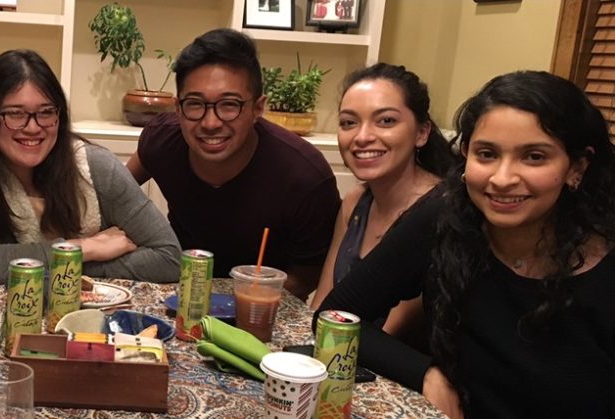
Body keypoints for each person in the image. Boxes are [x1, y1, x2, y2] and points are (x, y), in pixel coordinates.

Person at [317, 71, 615, 417]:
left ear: (577, 167)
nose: (502, 178)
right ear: (465, 155)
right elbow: (335, 316)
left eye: (534, 156)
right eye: (486, 154)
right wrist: (425, 373)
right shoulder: (444, 217)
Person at [0, 49, 180, 284]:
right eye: (15, 114)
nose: (33, 127)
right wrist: (84, 248)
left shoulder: (97, 167)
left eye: (46, 112)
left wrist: (66, 267)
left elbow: (170, 258)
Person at [127, 28, 340, 297]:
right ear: (178, 108)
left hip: (260, 304)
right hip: (180, 290)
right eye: (195, 104)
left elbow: (306, 275)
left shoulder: (304, 176)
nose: (211, 123)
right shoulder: (162, 140)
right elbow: (116, 193)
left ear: (258, 108)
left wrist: (232, 304)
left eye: (229, 105)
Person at [310, 64, 458, 341]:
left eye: (386, 121)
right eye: (349, 123)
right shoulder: (355, 202)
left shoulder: (438, 212)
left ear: (422, 132)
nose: (362, 137)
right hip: (338, 350)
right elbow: (322, 306)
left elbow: (389, 330)